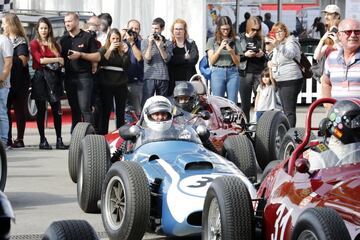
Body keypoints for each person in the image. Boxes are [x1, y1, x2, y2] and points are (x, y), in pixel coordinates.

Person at [29, 17, 68, 150]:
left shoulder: (55, 44)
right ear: (37, 29)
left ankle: (59, 139)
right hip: (40, 77)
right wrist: (56, 58)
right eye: (41, 28)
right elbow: (39, 60)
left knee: (57, 110)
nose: (44, 30)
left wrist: (56, 60)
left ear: (49, 29)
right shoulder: (34, 43)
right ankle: (42, 139)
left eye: (46, 28)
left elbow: (62, 62)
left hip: (54, 77)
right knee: (41, 110)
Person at [59, 12, 100, 132]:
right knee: (74, 109)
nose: (67, 24)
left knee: (84, 108)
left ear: (77, 22)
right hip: (69, 78)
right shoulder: (63, 39)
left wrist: (80, 55)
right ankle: (75, 135)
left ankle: (90, 136)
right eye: (65, 21)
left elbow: (97, 57)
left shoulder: (87, 37)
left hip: (84, 77)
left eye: (70, 21)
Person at [2, 13, 30, 148]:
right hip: (6, 80)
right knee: (4, 110)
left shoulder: (21, 41)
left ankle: (20, 138)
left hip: (19, 81)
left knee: (19, 110)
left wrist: (7, 58)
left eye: (4, 23)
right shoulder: (3, 39)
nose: (2, 26)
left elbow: (23, 61)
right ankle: (6, 137)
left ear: (11, 24)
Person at [268, 22, 303, 127]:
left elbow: (290, 54)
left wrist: (278, 46)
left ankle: (290, 134)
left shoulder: (290, 42)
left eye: (280, 31)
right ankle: (288, 132)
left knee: (289, 111)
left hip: (290, 79)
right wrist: (271, 64)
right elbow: (277, 61)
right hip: (281, 80)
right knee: (285, 109)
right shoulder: (278, 44)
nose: (278, 34)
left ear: (285, 31)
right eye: (275, 32)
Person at [97, 28, 130, 135]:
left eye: (117, 38)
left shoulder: (122, 50)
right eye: (113, 38)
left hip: (120, 84)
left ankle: (120, 136)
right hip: (106, 84)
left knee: (120, 112)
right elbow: (101, 61)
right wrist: (110, 49)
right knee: (105, 111)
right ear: (109, 39)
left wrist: (125, 53)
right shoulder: (104, 49)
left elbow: (126, 66)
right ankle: (103, 135)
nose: (115, 41)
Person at [321, 18, 360, 103]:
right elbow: (325, 82)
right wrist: (328, 106)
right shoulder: (332, 58)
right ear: (339, 35)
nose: (353, 35)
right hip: (338, 114)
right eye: (348, 32)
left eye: (357, 32)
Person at [206, 16, 241, 104]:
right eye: (223, 29)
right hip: (217, 72)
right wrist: (220, 48)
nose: (226, 31)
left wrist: (231, 52)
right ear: (218, 28)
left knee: (232, 102)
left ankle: (232, 118)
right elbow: (212, 61)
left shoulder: (235, 41)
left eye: (228, 29)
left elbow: (237, 63)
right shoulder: (211, 40)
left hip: (232, 72)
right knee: (217, 102)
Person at [238, 16, 266, 121]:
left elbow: (267, 56)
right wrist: (245, 55)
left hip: (258, 72)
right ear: (248, 27)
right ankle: (245, 127)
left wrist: (262, 54)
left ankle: (261, 126)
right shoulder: (240, 38)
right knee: (245, 104)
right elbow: (235, 57)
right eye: (253, 29)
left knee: (260, 103)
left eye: (257, 29)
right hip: (245, 73)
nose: (255, 31)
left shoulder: (261, 39)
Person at [141, 17, 173, 106]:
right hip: (149, 77)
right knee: (146, 103)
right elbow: (147, 59)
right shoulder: (145, 41)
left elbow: (167, 59)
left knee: (162, 104)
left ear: (162, 29)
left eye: (156, 28)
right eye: (152, 28)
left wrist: (160, 46)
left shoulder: (168, 43)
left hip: (163, 77)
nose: (154, 31)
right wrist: (150, 44)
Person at [168, 18, 199, 96]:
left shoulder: (191, 43)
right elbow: (169, 60)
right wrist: (184, 57)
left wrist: (176, 60)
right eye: (176, 29)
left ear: (185, 31)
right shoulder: (169, 44)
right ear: (173, 30)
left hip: (188, 80)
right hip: (173, 81)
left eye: (180, 29)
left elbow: (193, 60)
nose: (178, 31)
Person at [122, 19, 144, 116]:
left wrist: (132, 43)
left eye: (136, 28)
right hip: (121, 81)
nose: (134, 30)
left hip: (137, 82)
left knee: (138, 111)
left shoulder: (142, 43)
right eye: (131, 28)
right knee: (122, 111)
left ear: (139, 30)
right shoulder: (120, 42)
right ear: (127, 29)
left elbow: (140, 58)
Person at [0, 29, 12, 148]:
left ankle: (3, 141)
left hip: (2, 85)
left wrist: (2, 79)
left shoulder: (3, 40)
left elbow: (8, 63)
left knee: (1, 113)